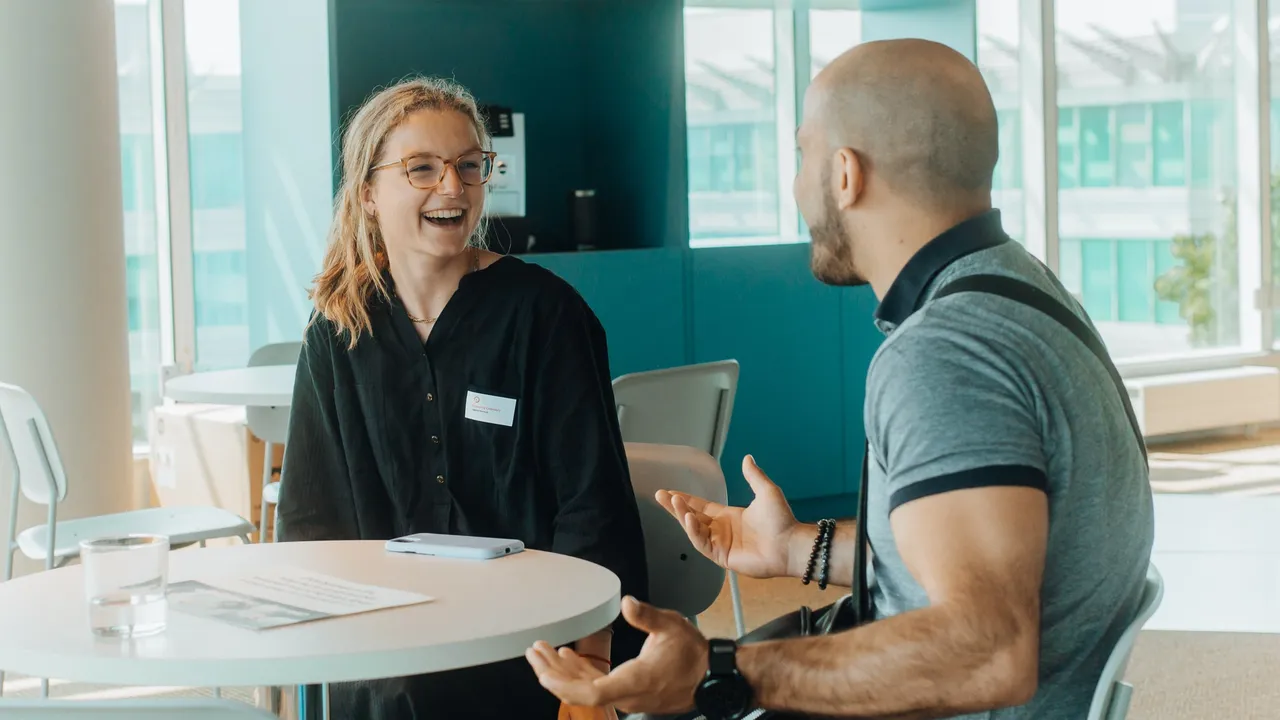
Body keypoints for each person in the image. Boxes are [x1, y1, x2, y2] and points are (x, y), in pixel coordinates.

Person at [525, 38, 1154, 720]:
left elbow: (985, 650)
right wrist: (798, 547)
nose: (798, 186)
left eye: (802, 155)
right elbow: (990, 550)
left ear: (846, 173)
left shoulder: (944, 355)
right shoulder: (1024, 294)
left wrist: (717, 671)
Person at [276, 76, 649, 720]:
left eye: (469, 166)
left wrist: (588, 663)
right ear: (369, 191)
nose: (453, 187)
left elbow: (594, 506)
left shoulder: (545, 313)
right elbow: (310, 525)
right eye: (421, 169)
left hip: (529, 649)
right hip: (385, 652)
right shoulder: (338, 329)